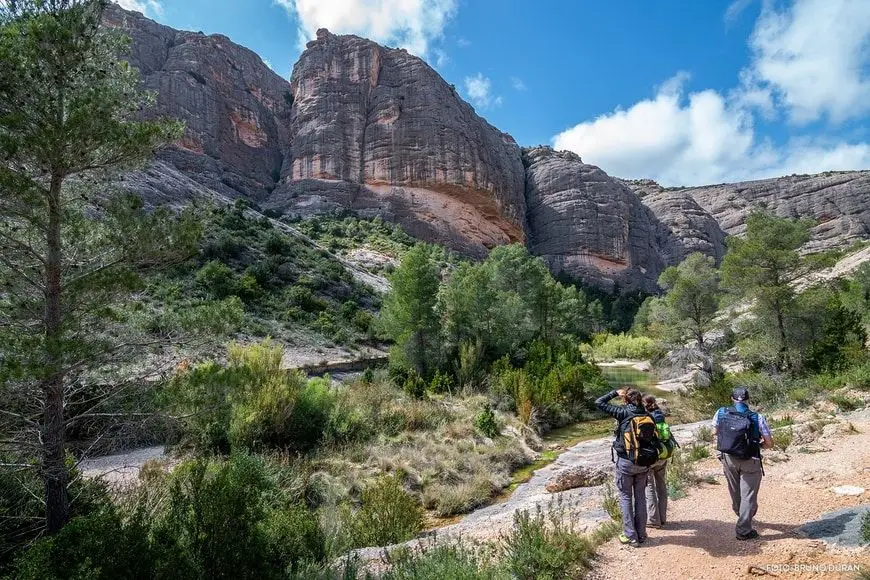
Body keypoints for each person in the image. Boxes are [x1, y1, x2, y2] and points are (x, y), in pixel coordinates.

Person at [595, 387, 655, 546]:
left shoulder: (622, 413)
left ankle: (630, 535)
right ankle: (641, 534)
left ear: (625, 400)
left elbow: (598, 402)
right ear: (641, 399)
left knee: (626, 497)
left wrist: (614, 393)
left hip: (626, 462)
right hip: (643, 463)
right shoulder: (647, 415)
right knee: (641, 497)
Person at [712, 387, 773, 540]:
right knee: (748, 495)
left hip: (728, 457)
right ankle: (744, 529)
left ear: (731, 398)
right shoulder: (757, 417)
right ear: (747, 399)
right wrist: (758, 445)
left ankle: (741, 512)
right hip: (750, 459)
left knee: (734, 490)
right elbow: (769, 443)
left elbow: (714, 432)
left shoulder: (721, 412)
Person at [643, 394, 669, 528]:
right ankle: (663, 517)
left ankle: (653, 520)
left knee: (649, 487)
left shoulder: (646, 417)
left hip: (651, 456)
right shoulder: (660, 415)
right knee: (661, 485)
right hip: (663, 454)